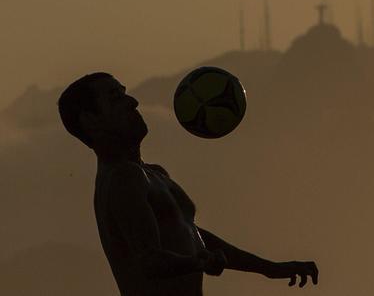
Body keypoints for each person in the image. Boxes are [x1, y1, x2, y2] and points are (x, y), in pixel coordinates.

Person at [57, 72, 318, 295]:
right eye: (116, 98)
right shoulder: (123, 179)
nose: (133, 101)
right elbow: (149, 259)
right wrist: (197, 263)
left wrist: (270, 268)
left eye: (125, 94)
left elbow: (192, 236)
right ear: (91, 120)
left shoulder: (153, 173)